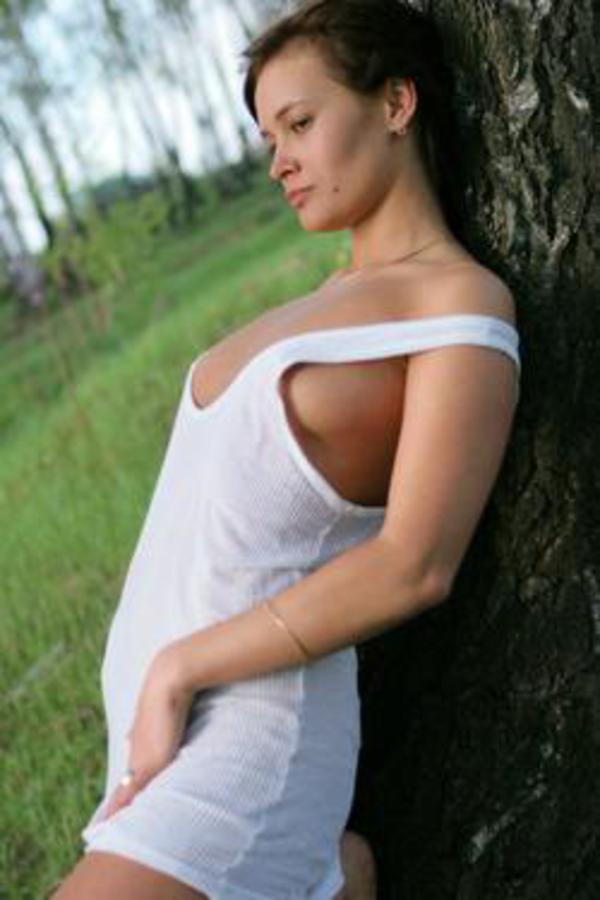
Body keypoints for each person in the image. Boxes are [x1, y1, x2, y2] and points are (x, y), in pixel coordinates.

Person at [50, 0, 521, 897]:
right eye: (270, 137)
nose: (279, 162)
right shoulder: (330, 293)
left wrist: (178, 668)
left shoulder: (459, 301)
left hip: (244, 741)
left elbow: (415, 565)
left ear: (396, 103)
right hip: (167, 747)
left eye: (300, 123)